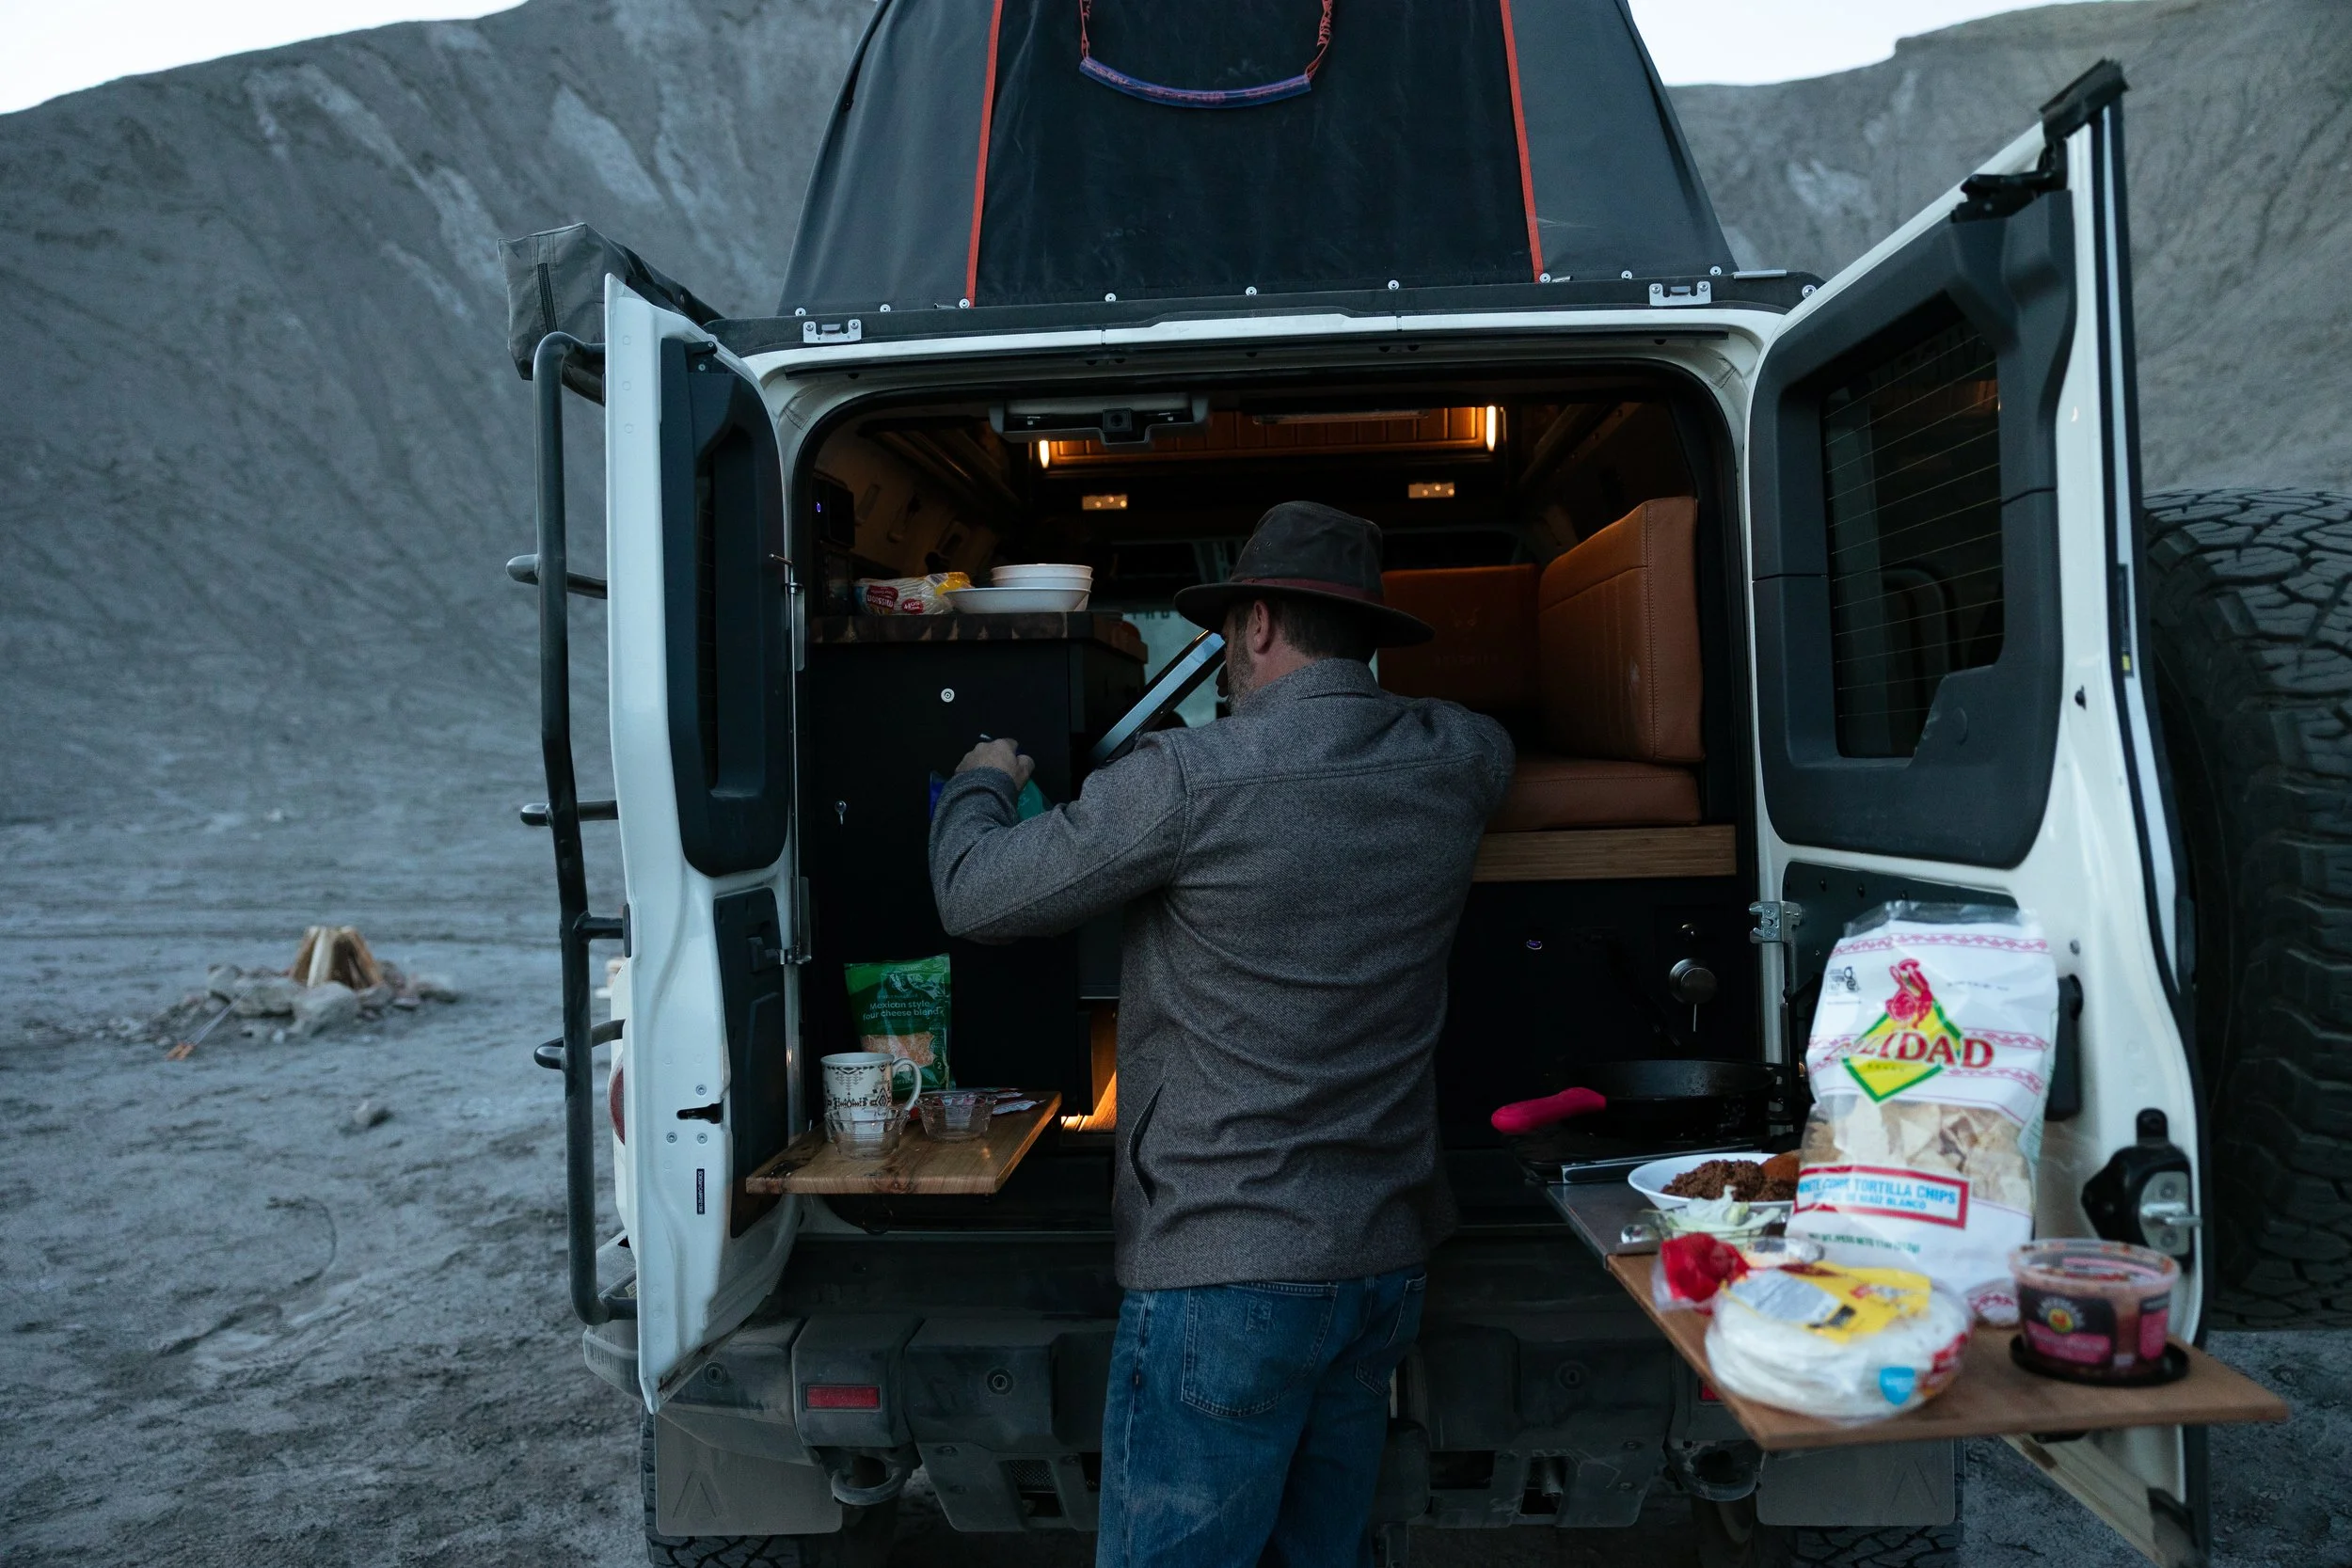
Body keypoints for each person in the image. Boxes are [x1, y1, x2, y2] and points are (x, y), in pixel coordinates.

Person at [928, 501, 1515, 1568]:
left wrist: (982, 777)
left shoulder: (1190, 777)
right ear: (1368, 636)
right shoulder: (1459, 757)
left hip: (1226, 1266)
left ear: (1252, 626)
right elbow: (1489, 744)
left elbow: (976, 893)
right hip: (1382, 1259)